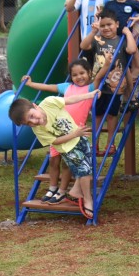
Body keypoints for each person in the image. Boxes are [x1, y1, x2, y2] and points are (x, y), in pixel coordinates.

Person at [9, 89, 101, 220]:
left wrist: (90, 95)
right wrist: (74, 134)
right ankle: (88, 199)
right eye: (28, 123)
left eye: (32, 116)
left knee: (90, 166)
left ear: (35, 106)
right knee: (85, 171)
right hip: (67, 148)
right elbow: (55, 141)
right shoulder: (38, 130)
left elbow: (70, 100)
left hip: (80, 138)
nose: (33, 122)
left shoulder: (49, 102)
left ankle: (75, 189)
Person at [20, 59, 99, 205]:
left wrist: (106, 64)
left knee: (68, 163)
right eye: (75, 74)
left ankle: (62, 191)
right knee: (53, 160)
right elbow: (49, 87)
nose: (79, 76)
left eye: (82, 73)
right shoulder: (66, 87)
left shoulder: (89, 88)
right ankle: (52, 188)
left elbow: (100, 78)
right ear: (70, 76)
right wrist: (31, 84)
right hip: (55, 131)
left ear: (89, 73)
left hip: (74, 130)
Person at [80, 9, 138, 154]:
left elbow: (132, 49)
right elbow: (83, 46)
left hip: (116, 86)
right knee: (98, 115)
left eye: (109, 25)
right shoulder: (97, 40)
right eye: (103, 25)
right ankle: (95, 143)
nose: (106, 28)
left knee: (112, 115)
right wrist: (93, 32)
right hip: (99, 85)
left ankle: (110, 144)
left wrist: (128, 32)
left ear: (117, 24)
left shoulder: (121, 40)